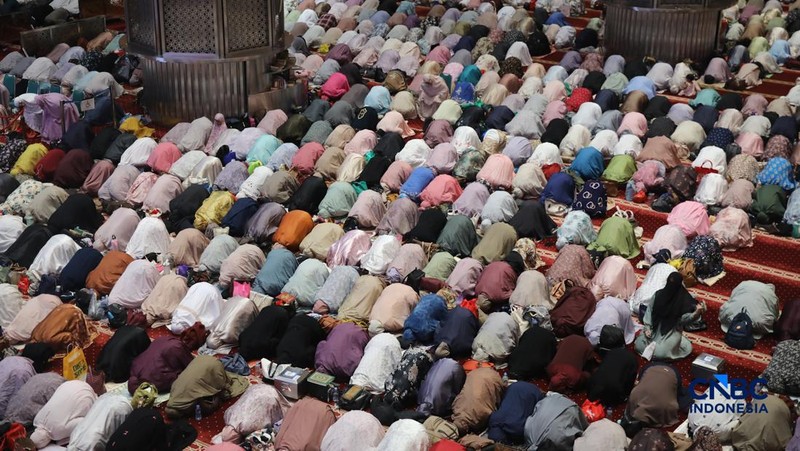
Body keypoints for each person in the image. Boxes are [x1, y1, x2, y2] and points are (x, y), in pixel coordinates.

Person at [635, 273, 705, 360]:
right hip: (654, 328)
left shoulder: (683, 300)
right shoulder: (658, 295)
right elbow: (649, 311)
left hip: (672, 330)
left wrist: (696, 313)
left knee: (661, 353)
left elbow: (684, 320)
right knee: (639, 345)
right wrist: (647, 328)